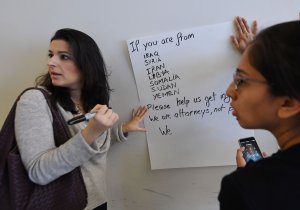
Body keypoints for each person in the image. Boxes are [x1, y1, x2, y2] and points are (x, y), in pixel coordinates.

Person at [14, 28, 148, 210]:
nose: (51, 62)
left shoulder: (90, 102)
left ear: (87, 63)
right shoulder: (35, 100)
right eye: (51, 54)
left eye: (64, 56)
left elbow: (91, 146)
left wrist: (122, 129)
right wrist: (92, 130)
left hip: (98, 201)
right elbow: (39, 172)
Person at [218, 19, 300, 209]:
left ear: (288, 103)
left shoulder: (246, 190)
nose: (229, 91)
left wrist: (250, 188)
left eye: (241, 80)